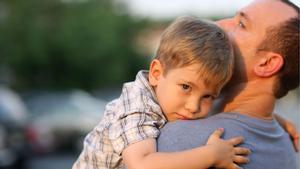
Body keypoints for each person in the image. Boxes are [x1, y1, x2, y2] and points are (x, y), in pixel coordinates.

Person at [72, 16, 252, 169]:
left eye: (208, 96)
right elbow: (141, 164)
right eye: (186, 87)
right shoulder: (137, 105)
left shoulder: (170, 100)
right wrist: (211, 155)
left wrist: (278, 121)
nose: (193, 107)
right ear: (157, 74)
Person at [157, 0, 300, 169]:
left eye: (241, 24)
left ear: (267, 64)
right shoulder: (286, 145)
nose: (218, 24)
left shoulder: (179, 142)